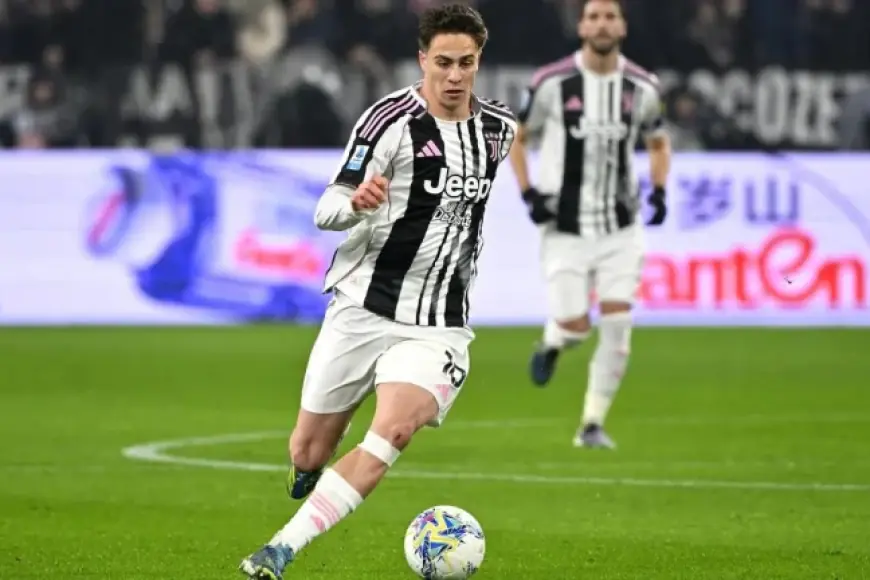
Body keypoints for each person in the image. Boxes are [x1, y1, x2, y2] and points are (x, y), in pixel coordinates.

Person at [239, 4, 517, 578]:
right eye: (443, 62)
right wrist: (357, 204)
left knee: (393, 431)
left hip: (438, 324)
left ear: (479, 62)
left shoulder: (498, 129)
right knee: (308, 450)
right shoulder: (388, 121)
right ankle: (310, 465)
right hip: (362, 307)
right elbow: (327, 206)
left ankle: (280, 549)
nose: (455, 75)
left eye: (466, 63)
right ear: (422, 60)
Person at [508, 0, 671, 449]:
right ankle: (553, 342)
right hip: (565, 226)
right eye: (594, 17)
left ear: (622, 27)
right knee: (576, 327)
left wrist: (659, 190)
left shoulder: (643, 86)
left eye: (610, 16)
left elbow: (659, 142)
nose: (602, 24)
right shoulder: (551, 82)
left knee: (619, 323)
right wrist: (528, 194)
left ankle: (592, 425)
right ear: (581, 26)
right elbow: (517, 138)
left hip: (621, 226)